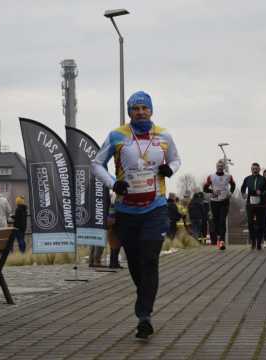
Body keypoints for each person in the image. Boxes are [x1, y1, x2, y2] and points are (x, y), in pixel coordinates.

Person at [91, 91, 181, 339]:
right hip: (126, 210)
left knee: (150, 258)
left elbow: (176, 160)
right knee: (134, 261)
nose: (140, 112)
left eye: (144, 108)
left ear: (151, 110)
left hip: (156, 207)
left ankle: (144, 316)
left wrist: (169, 169)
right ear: (129, 112)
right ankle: (146, 297)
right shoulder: (117, 135)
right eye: (135, 108)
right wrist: (112, 183)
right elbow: (97, 164)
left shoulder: (164, 135)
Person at [203, 159, 236, 250]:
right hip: (214, 201)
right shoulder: (211, 177)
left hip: (224, 201)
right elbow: (205, 188)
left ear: (224, 167)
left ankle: (222, 241)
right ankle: (218, 236)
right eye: (218, 166)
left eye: (221, 166)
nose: (220, 168)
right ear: (216, 167)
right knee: (216, 221)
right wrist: (212, 191)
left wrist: (230, 193)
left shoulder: (228, 176)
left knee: (222, 220)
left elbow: (233, 185)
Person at [241, 163, 266, 250]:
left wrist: (261, 193)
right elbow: (243, 188)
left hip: (260, 204)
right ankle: (253, 241)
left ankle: (259, 242)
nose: (255, 170)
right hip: (250, 203)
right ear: (251, 169)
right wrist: (243, 194)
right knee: (250, 223)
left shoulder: (263, 179)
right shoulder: (247, 178)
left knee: (260, 224)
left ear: (259, 169)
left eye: (256, 169)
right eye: (253, 168)